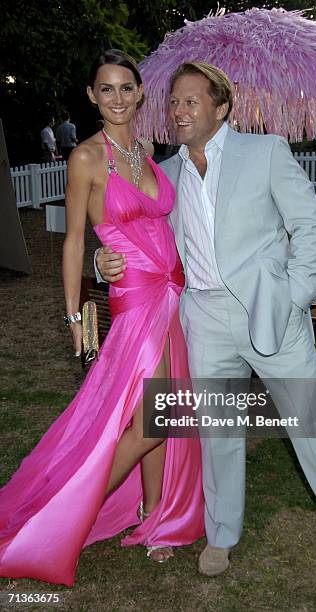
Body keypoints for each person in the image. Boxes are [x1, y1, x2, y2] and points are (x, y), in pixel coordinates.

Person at [96, 61, 316, 580]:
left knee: (314, 426)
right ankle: (223, 534)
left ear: (221, 107)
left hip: (271, 313)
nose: (179, 110)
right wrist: (101, 263)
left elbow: (309, 226)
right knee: (220, 434)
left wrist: (296, 295)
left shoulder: (267, 152)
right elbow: (135, 234)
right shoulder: (165, 171)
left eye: (192, 101)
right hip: (204, 318)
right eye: (174, 102)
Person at [0, 50, 204, 587]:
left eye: (125, 88)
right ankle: (66, 514)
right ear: (92, 96)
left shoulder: (147, 149)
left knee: (156, 415)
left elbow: (162, 224)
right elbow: (72, 241)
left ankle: (154, 513)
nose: (116, 98)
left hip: (170, 291)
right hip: (135, 296)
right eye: (105, 89)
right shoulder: (86, 158)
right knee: (160, 418)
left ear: (140, 94)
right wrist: (74, 313)